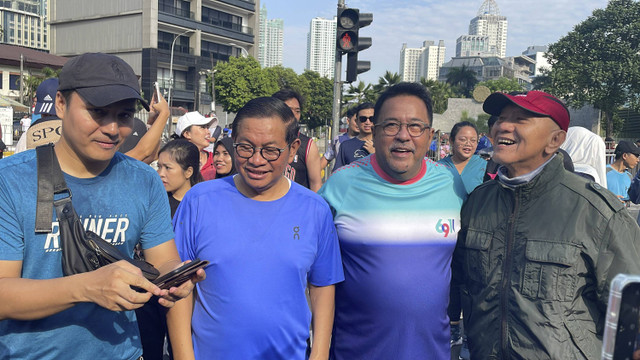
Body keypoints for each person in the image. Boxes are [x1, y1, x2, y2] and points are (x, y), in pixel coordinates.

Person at [0, 52, 204, 360]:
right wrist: (86, 288)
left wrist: (176, 277)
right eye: (97, 112)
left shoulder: (144, 181)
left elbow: (163, 260)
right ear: (60, 104)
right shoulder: (12, 181)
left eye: (123, 116)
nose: (112, 129)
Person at [453, 90, 640, 359]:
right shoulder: (477, 203)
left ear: (555, 140)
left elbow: (632, 313)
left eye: (521, 119)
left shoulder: (595, 211)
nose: (503, 126)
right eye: (501, 118)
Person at [173, 96, 344, 359]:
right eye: (245, 147)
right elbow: (179, 287)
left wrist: (319, 354)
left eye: (270, 150)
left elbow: (322, 286)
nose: (256, 160)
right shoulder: (198, 202)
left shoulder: (315, 209)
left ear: (293, 148)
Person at [319, 82, 465, 359]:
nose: (403, 136)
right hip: (354, 352)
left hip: (431, 352)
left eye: (415, 127)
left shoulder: (450, 183)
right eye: (391, 125)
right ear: (374, 131)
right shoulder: (341, 184)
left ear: (430, 135)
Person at [136, 138, 203, 359]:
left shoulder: (203, 204)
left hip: (188, 293)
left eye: (168, 168)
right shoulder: (155, 202)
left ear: (188, 171)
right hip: (151, 291)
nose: (161, 173)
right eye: (159, 166)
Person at [273, 88, 323, 192]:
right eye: (289, 109)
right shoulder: (262, 140)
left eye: (297, 111)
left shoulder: (308, 145)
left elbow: (316, 184)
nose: (294, 115)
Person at [439, 121, 487, 196]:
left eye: (473, 140)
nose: (468, 144)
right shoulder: (438, 167)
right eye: (463, 139)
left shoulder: (485, 167)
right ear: (452, 140)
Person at [173, 111, 217, 181]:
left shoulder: (216, 159)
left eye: (207, 127)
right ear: (187, 134)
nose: (208, 132)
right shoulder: (174, 161)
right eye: (202, 127)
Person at [333, 102, 375, 171]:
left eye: (371, 119)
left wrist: (374, 155)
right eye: (363, 119)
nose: (367, 122)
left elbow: (391, 174)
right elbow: (337, 174)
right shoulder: (346, 146)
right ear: (357, 121)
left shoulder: (383, 145)